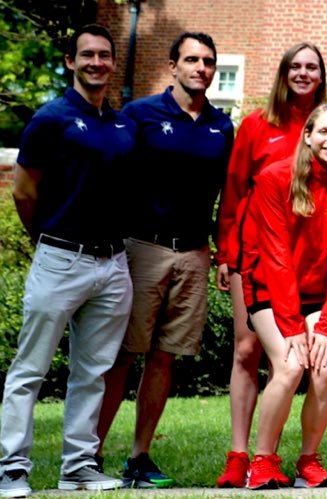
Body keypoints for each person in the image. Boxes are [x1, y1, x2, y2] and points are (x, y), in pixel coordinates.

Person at [94, 31, 233, 490]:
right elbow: (110, 176)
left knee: (164, 358)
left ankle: (139, 456)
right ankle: (89, 455)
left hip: (194, 252)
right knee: (122, 354)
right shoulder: (140, 115)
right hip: (143, 248)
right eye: (191, 60)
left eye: (208, 62)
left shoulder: (221, 125)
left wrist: (221, 252)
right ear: (173, 65)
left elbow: (228, 197)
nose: (201, 68)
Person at [1, 24, 135, 497]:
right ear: (70, 62)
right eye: (87, 55)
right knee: (29, 370)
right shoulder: (50, 118)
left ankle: (77, 466)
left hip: (114, 265)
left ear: (113, 63)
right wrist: (47, 238)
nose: (96, 62)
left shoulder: (122, 125)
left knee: (92, 371)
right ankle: (11, 469)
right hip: (61, 258)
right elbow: (23, 189)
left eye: (104, 55)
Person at [213, 42, 327, 488]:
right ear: (284, 73)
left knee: (301, 358)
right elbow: (235, 188)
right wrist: (226, 252)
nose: (302, 74)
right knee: (247, 349)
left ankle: (280, 454)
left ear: (321, 74)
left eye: (311, 67)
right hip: (255, 254)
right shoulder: (259, 125)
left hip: (307, 260)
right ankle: (240, 454)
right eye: (295, 66)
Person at [241, 103, 327, 490]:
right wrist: (292, 325)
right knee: (289, 365)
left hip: (319, 296)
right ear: (308, 135)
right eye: (325, 132)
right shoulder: (273, 178)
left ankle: (308, 461)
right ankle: (262, 461)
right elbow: (276, 256)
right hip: (268, 289)